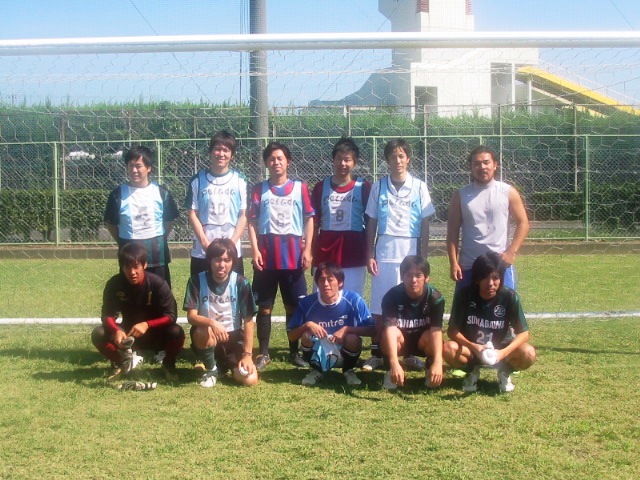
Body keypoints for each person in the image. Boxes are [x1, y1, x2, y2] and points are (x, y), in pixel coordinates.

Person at [362, 138, 436, 372]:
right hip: (384, 254)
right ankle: (377, 353)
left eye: (401, 156)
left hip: (410, 255)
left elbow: (425, 223)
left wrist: (423, 257)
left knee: (409, 305)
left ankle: (409, 354)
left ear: (408, 159)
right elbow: (371, 222)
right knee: (379, 306)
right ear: (387, 160)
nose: (398, 160)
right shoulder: (378, 187)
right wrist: (370, 253)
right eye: (393, 156)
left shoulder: (420, 187)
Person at [247, 141, 315, 371]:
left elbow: (309, 219)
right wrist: (255, 250)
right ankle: (263, 353)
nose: (276, 162)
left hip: (293, 257)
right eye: (271, 159)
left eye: (280, 158)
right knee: (264, 307)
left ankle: (294, 352)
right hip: (266, 257)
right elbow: (252, 222)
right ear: (266, 163)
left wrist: (307, 249)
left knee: (293, 307)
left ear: (288, 162)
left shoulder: (300, 188)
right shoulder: (259, 189)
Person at [443, 252, 536, 393]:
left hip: (501, 351)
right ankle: (472, 371)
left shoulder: (509, 296)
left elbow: (524, 333)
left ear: (501, 278)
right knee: (448, 349)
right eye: (485, 277)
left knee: (528, 353)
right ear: (477, 278)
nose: (490, 283)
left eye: (495, 278)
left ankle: (504, 372)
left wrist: (503, 353)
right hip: (473, 351)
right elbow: (452, 331)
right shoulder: (464, 295)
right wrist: (474, 346)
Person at [91, 242, 185, 382]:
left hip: (157, 335)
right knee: (98, 333)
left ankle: (168, 363)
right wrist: (116, 330)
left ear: (144, 265)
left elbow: (171, 316)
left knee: (176, 332)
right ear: (121, 267)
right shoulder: (114, 284)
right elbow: (107, 315)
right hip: (129, 335)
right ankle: (121, 363)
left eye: (136, 267)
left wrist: (147, 324)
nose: (132, 272)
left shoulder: (158, 283)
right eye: (127, 267)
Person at [447, 145, 529, 292]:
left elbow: (523, 223)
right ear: (471, 167)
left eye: (486, 162)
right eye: (477, 164)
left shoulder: (508, 192)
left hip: (499, 266)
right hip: (469, 266)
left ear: (495, 165)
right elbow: (452, 231)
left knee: (503, 306)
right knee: (466, 307)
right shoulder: (460, 195)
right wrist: (453, 262)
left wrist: (511, 252)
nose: (482, 167)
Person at [183, 238, 258, 388]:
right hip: (208, 336)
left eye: (227, 260)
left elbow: (248, 320)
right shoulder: (196, 281)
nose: (222, 265)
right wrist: (212, 323)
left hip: (233, 338)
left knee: (249, 380)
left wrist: (248, 356)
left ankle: (224, 367)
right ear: (209, 260)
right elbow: (191, 317)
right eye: (217, 259)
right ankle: (211, 369)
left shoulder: (241, 283)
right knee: (201, 330)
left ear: (233, 262)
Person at [287, 262, 375, 386]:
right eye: (321, 279)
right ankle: (316, 370)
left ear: (340, 282)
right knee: (306, 335)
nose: (326, 284)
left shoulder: (354, 300)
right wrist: (307, 325)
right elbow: (291, 336)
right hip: (319, 350)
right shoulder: (307, 303)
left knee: (352, 338)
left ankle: (348, 371)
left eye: (330, 279)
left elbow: (372, 330)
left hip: (344, 350)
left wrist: (347, 329)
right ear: (317, 283)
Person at [104, 146, 180, 287]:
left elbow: (169, 222)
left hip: (156, 255)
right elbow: (111, 224)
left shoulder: (162, 193)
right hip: (130, 256)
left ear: (148, 168)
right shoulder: (117, 195)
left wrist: (160, 240)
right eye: (130, 166)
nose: (134, 170)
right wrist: (123, 242)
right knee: (131, 296)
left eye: (138, 166)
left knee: (160, 293)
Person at [311, 137, 371, 296]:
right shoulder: (320, 187)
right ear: (333, 160)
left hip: (354, 253)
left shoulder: (364, 187)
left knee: (352, 297)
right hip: (325, 253)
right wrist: (311, 252)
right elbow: (314, 224)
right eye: (339, 158)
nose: (342, 163)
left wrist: (370, 253)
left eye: (347, 159)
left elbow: (370, 223)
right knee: (323, 297)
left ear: (354, 162)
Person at [184, 130, 248, 277]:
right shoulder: (197, 180)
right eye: (217, 149)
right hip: (203, 252)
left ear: (232, 155)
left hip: (231, 252)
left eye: (226, 150)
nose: (221, 154)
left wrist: (231, 244)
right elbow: (192, 214)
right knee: (201, 289)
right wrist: (206, 244)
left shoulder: (240, 180)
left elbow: (243, 215)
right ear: (211, 152)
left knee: (233, 290)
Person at [380, 255, 445, 390]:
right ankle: (390, 370)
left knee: (433, 337)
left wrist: (438, 362)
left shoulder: (435, 298)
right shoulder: (391, 296)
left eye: (418, 275)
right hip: (401, 341)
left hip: (422, 342)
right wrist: (394, 363)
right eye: (408, 275)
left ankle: (430, 368)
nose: (413, 280)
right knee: (388, 336)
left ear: (426, 278)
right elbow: (390, 330)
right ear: (402, 277)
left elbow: (436, 330)